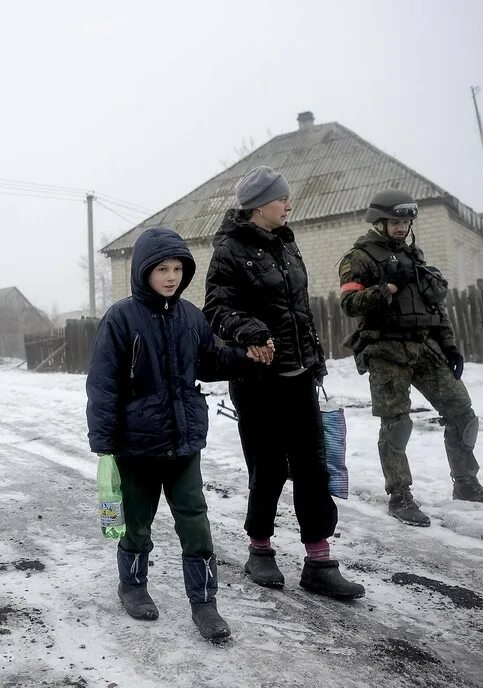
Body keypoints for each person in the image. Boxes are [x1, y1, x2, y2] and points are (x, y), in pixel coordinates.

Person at [86, 227, 264, 643]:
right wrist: (105, 444)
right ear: (144, 271)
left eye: (178, 268)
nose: (171, 276)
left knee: (195, 521)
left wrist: (246, 358)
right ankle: (132, 585)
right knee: (137, 523)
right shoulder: (121, 318)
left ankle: (204, 603)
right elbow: (103, 386)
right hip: (137, 446)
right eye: (162, 268)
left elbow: (209, 361)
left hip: (184, 443)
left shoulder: (190, 316)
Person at [203, 166, 364, 600]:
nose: (289, 204)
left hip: (298, 376)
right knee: (268, 468)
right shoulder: (231, 250)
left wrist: (314, 361)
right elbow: (216, 307)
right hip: (258, 380)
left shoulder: (288, 246)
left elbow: (300, 312)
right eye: (282, 199)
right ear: (259, 206)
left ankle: (319, 560)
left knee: (312, 468)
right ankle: (260, 548)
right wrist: (250, 331)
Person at [337, 190, 483, 526]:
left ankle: (466, 483)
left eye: (406, 221)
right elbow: (348, 305)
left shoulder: (414, 254)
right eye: (396, 221)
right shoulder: (358, 257)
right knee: (397, 423)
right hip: (386, 350)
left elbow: (434, 305)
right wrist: (387, 288)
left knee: (462, 412)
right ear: (380, 221)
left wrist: (449, 345)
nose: (403, 227)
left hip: (424, 345)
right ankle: (399, 496)